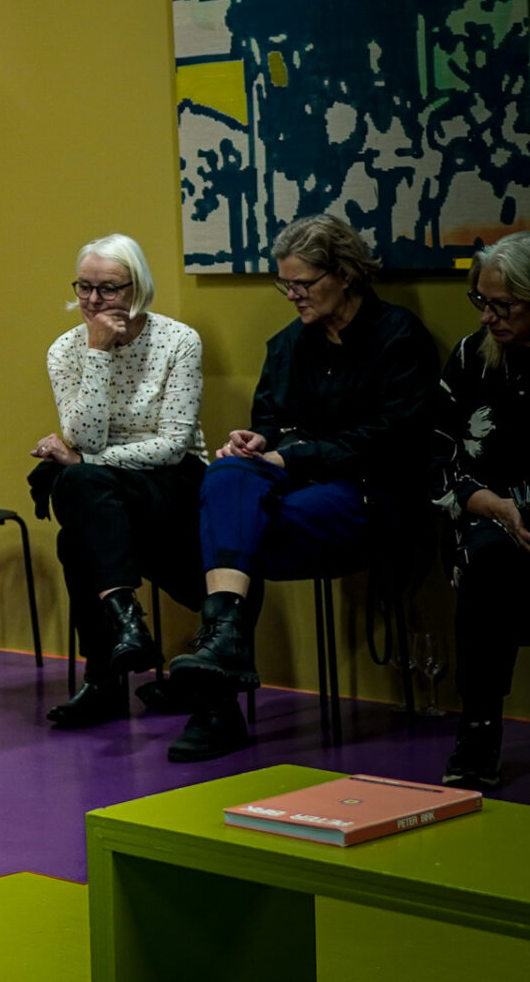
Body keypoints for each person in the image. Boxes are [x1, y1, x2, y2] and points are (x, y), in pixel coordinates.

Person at [167, 215, 437, 761]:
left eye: (302, 284)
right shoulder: (289, 345)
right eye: (284, 284)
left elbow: (389, 440)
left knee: (232, 534)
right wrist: (255, 437)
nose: (292, 296)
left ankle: (219, 698)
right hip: (292, 485)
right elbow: (271, 417)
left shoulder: (398, 336)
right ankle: (227, 642)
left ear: (344, 274)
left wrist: (288, 452)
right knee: (224, 473)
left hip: (371, 492)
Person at [31, 234, 207, 728]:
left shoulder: (179, 340)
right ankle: (126, 621)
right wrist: (98, 353)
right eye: (84, 287)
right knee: (78, 503)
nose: (92, 301)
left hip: (173, 477)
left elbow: (173, 444)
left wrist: (88, 459)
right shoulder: (68, 350)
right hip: (104, 485)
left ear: (136, 287)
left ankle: (106, 675)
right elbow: (82, 430)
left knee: (79, 496)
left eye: (107, 289)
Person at [434, 232, 530, 790]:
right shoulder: (473, 356)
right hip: (487, 513)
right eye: (482, 302)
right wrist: (494, 506)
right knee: (490, 563)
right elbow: (438, 458)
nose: (489, 316)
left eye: (503, 305)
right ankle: (478, 729)